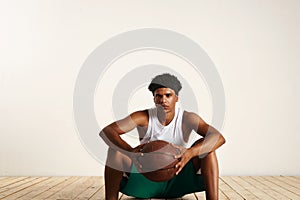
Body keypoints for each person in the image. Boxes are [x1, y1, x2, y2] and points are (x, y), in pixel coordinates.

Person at [100, 73, 225, 200]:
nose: (163, 100)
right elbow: (107, 131)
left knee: (208, 149)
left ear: (176, 98)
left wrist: (190, 152)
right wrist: (131, 152)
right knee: (114, 151)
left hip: (178, 178)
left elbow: (218, 137)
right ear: (154, 99)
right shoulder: (143, 117)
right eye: (158, 96)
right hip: (146, 178)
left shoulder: (187, 118)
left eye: (168, 95)